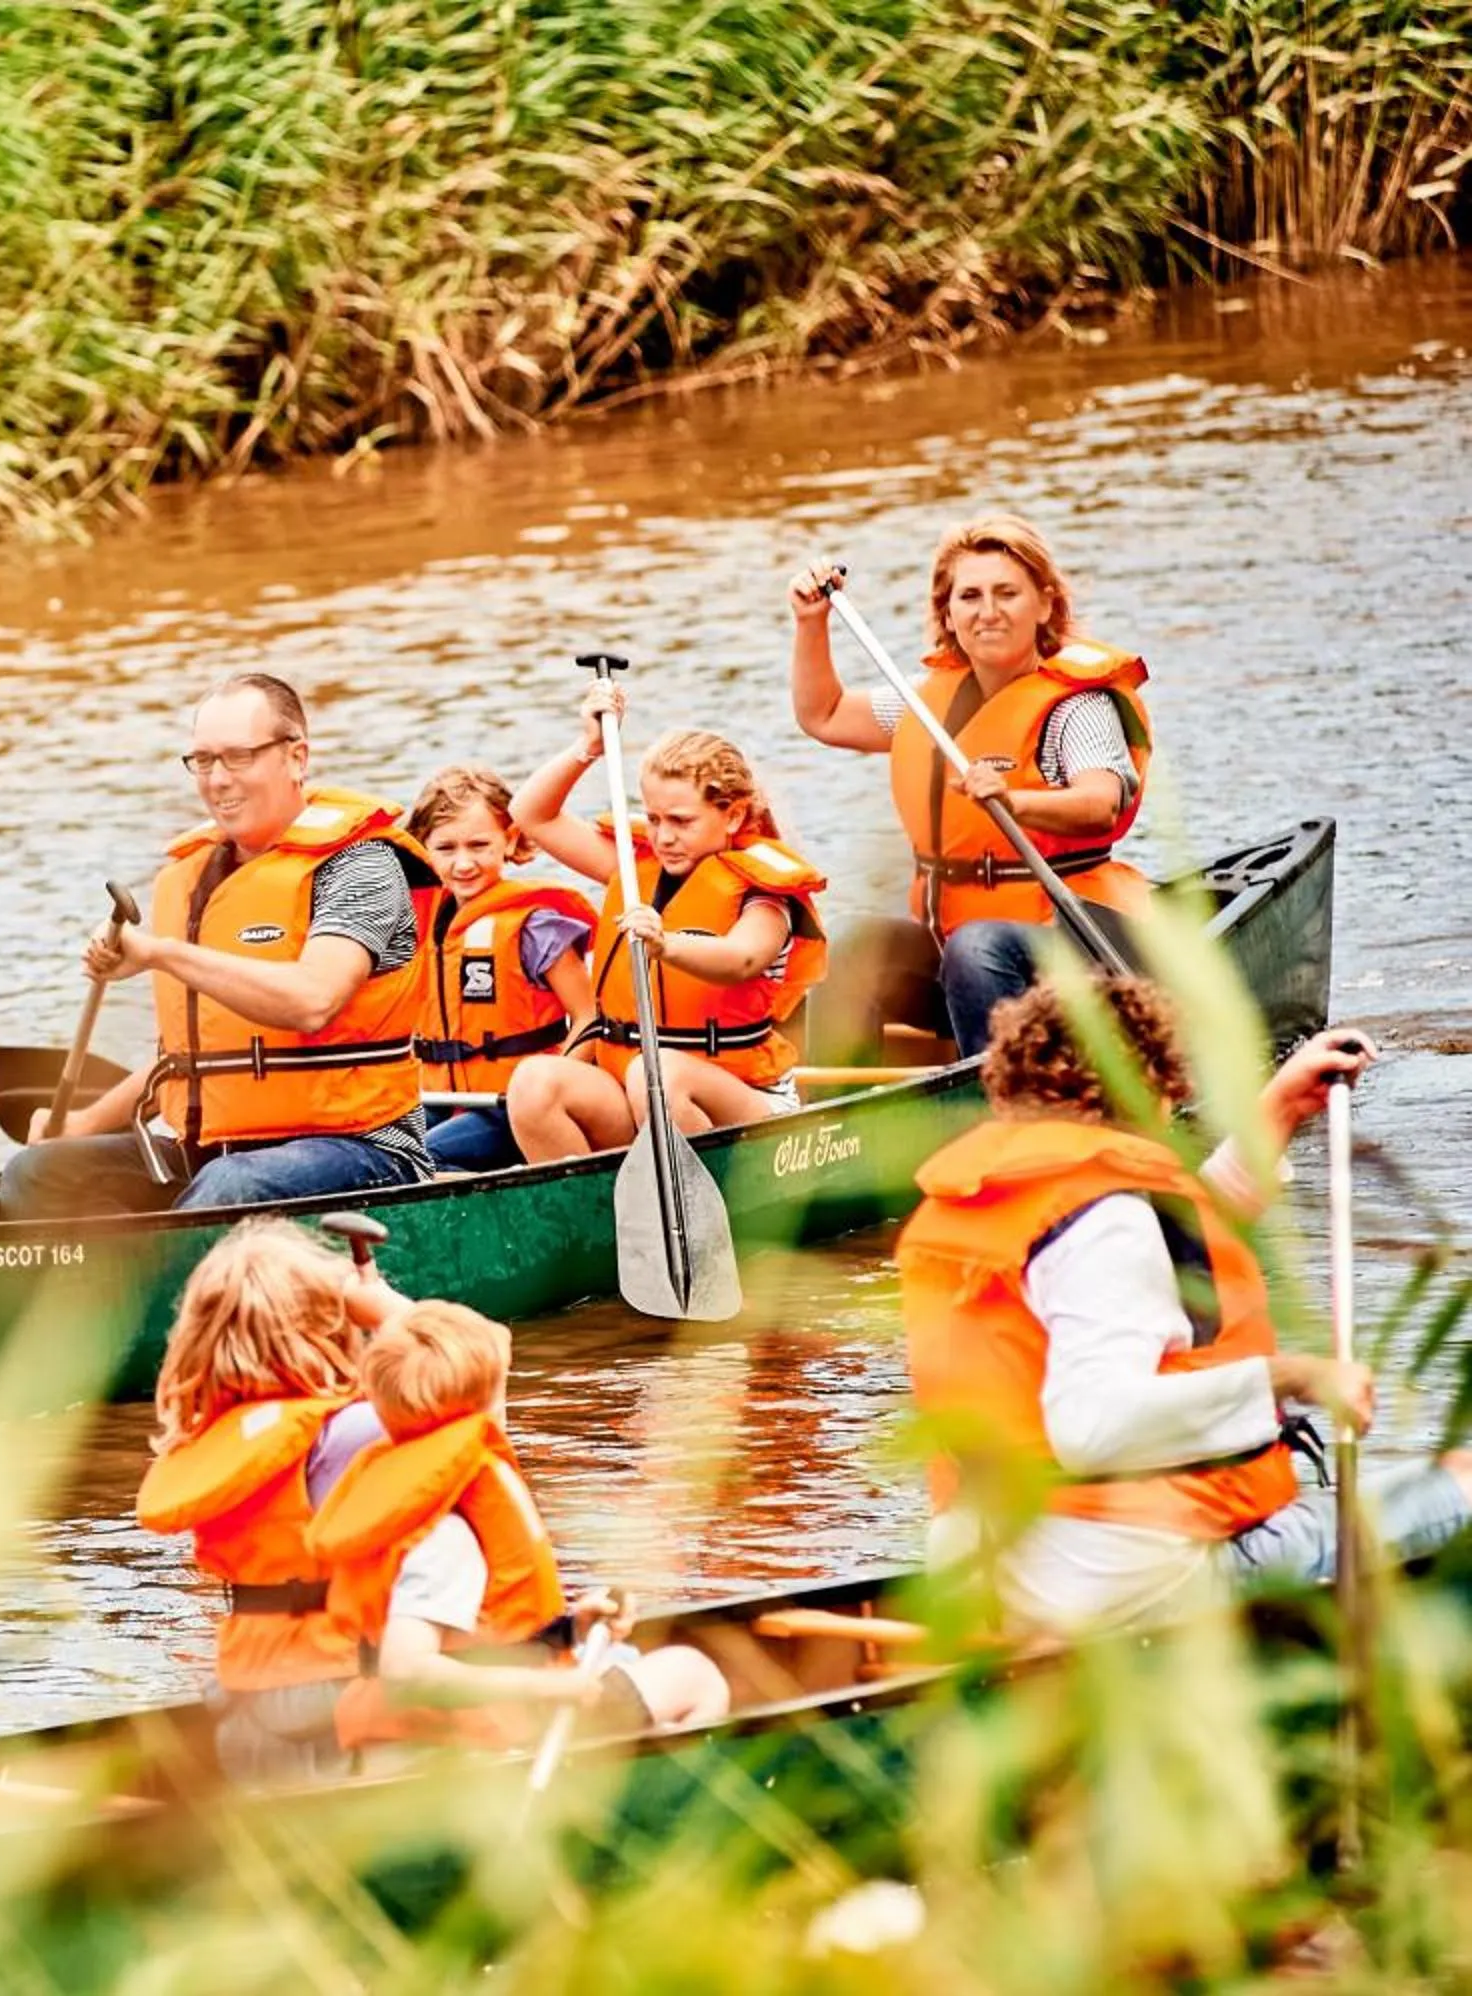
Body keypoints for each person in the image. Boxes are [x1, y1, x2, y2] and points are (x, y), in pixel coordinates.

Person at [897, 979, 1472, 1633]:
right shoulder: (1103, 1216)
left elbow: (1166, 1253)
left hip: (986, 1578)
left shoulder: (1004, 1196)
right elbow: (1094, 1427)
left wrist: (1279, 1111)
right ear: (1149, 1081)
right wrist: (1294, 1378)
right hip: (1126, 1587)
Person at [0, 673, 444, 1216]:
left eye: (238, 757)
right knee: (37, 1172)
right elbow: (191, 1057)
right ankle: (70, 1296)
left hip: (363, 1149)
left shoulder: (359, 864)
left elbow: (312, 1001)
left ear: (296, 757)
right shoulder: (194, 878)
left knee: (231, 1186)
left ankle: (184, 1295)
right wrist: (79, 1125)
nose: (218, 780)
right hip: (216, 1153)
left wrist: (160, 954)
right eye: (203, 760)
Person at [787, 514, 1153, 1059]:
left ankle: (1003, 1106)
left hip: (1069, 955)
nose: (988, 612)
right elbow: (826, 714)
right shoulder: (927, 703)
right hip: (956, 956)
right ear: (948, 612)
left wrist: (1014, 800)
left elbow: (1101, 804)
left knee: (975, 946)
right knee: (857, 945)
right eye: (970, 596)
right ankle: (839, 1124)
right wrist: (811, 623)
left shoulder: (1077, 707)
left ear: (1045, 605)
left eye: (1007, 593)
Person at [306, 1301, 730, 1757]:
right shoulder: (446, 1532)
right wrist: (546, 1689)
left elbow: (475, 1633)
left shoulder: (395, 1490)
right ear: (485, 1400)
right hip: (493, 1731)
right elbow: (406, 1672)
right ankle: (642, 1805)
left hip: (443, 1720)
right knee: (694, 1672)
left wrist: (570, 1628)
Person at [501, 682, 827, 1161]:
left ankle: (710, 1214)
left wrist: (666, 945)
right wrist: (586, 748)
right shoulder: (634, 869)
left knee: (657, 1074)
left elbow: (743, 958)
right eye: (654, 819)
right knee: (534, 1082)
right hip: (642, 1098)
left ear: (733, 816)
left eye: (681, 821)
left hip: (739, 1106)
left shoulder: (761, 892)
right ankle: (594, 1217)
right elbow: (531, 814)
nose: (664, 837)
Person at [134, 1217, 406, 1783]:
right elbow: (473, 1399)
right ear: (329, 1327)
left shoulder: (210, 1440)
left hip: (246, 1689)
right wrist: (389, 1314)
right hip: (340, 1683)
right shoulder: (350, 1433)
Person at [404, 766, 596, 1174]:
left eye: (478, 845)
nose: (463, 863)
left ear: (509, 841)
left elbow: (589, 1017)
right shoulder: (417, 926)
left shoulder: (536, 926)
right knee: (378, 1151)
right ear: (422, 848)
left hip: (509, 1106)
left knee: (421, 1158)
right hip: (440, 1099)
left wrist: (545, 1095)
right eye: (446, 848)